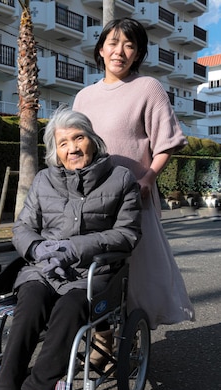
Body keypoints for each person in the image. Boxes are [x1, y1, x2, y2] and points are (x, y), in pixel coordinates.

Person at [0, 106, 142, 390]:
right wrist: (37, 250)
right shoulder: (44, 180)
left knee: (69, 310)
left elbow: (128, 234)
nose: (72, 148)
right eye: (63, 143)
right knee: (30, 302)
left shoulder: (121, 179)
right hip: (43, 269)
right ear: (55, 151)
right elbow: (22, 228)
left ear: (92, 141)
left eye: (78, 138)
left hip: (91, 273)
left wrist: (74, 248)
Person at [73, 18, 194, 334]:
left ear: (137, 54)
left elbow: (166, 143)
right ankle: (101, 337)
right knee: (94, 269)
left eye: (130, 45)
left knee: (136, 274)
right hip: (90, 200)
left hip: (132, 198)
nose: (120, 52)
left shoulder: (148, 88)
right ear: (101, 49)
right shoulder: (84, 96)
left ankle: (131, 333)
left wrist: (148, 179)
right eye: (113, 43)